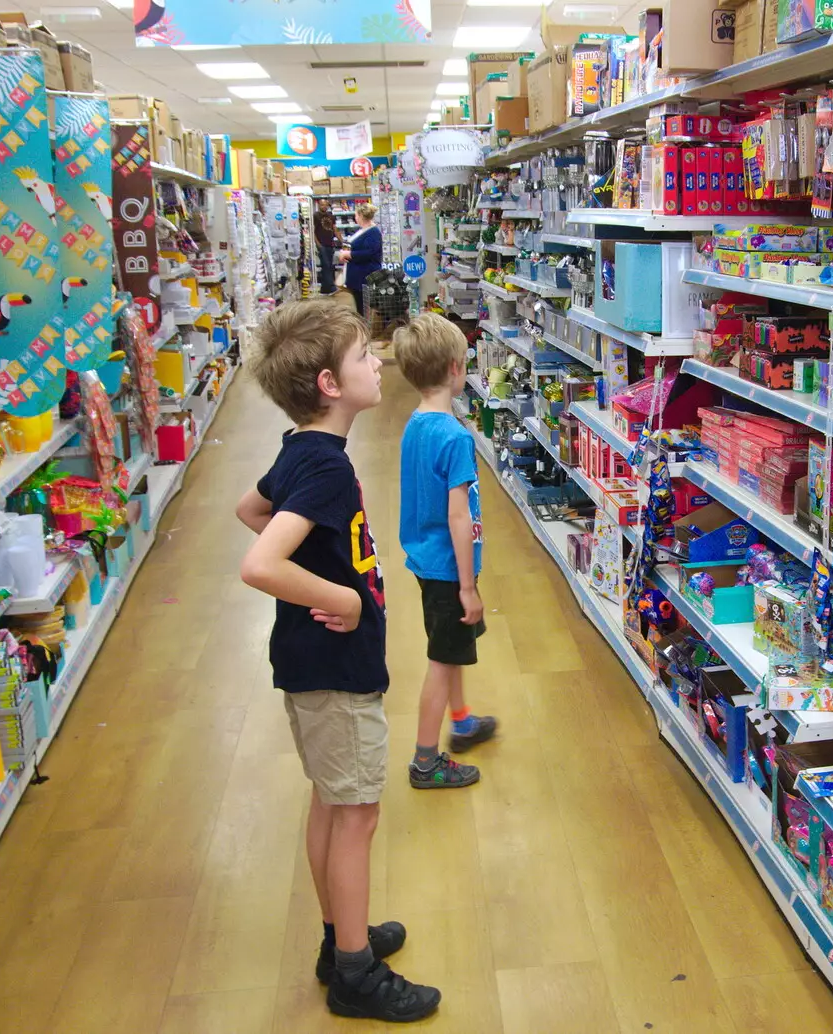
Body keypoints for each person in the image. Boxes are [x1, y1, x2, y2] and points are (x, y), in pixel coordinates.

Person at [235, 299, 440, 1022]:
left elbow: (249, 507)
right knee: (356, 814)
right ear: (328, 384)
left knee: (331, 800)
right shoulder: (323, 465)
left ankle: (337, 939)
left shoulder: (302, 452)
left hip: (308, 662)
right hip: (335, 664)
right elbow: (259, 562)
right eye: (363, 357)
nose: (378, 361)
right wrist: (342, 599)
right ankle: (355, 971)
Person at [395, 314, 497, 788]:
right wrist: (468, 586)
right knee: (441, 660)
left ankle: (462, 721)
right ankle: (424, 760)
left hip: (424, 559)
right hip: (448, 569)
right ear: (457, 369)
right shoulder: (455, 437)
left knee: (452, 648)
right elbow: (459, 516)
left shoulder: (416, 425)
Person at [339, 202, 382, 319]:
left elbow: (369, 253)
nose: (355, 218)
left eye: (356, 215)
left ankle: (364, 328)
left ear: (361, 216)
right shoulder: (364, 230)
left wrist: (349, 254)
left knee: (363, 306)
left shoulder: (373, 232)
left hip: (364, 276)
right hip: (359, 276)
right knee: (360, 304)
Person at [313, 203, 339, 295]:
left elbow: (335, 229)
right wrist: (318, 244)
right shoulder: (315, 216)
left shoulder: (331, 216)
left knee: (329, 266)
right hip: (322, 244)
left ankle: (324, 289)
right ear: (319, 205)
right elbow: (313, 230)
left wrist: (342, 240)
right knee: (326, 265)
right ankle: (331, 287)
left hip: (330, 244)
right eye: (322, 205)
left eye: (325, 205)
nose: (323, 206)